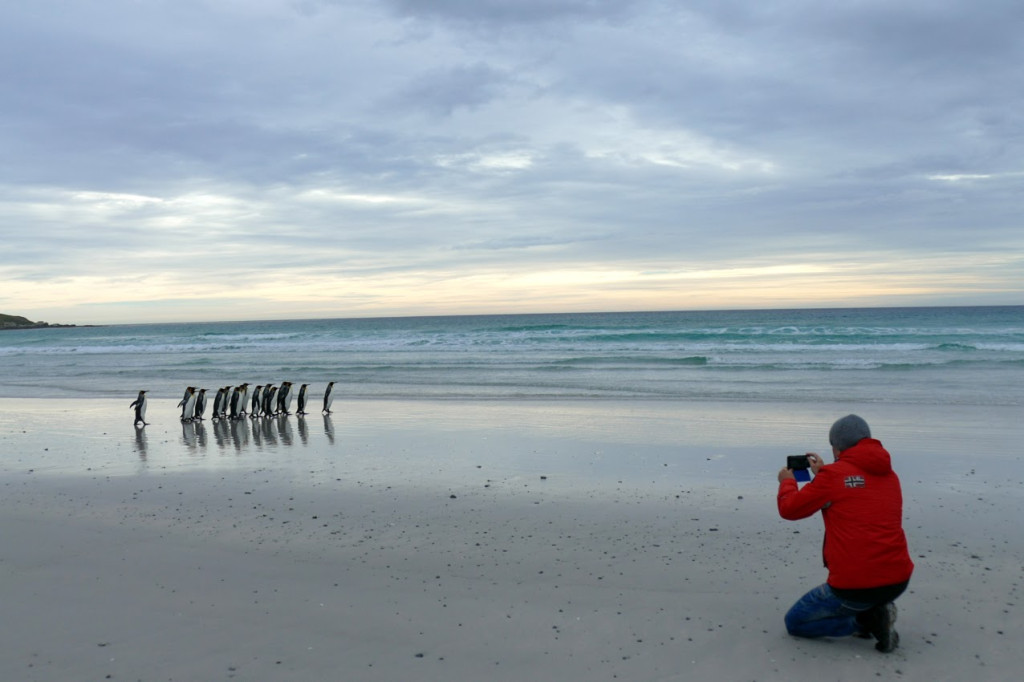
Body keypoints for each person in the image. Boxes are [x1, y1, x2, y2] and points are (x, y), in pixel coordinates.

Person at [776, 414, 914, 653]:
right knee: (869, 588)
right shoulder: (890, 475)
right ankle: (876, 609)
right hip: (898, 580)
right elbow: (855, 493)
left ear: (836, 447)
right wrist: (823, 476)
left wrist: (787, 482)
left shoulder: (832, 477)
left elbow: (789, 509)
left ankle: (867, 621)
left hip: (855, 586)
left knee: (796, 623)